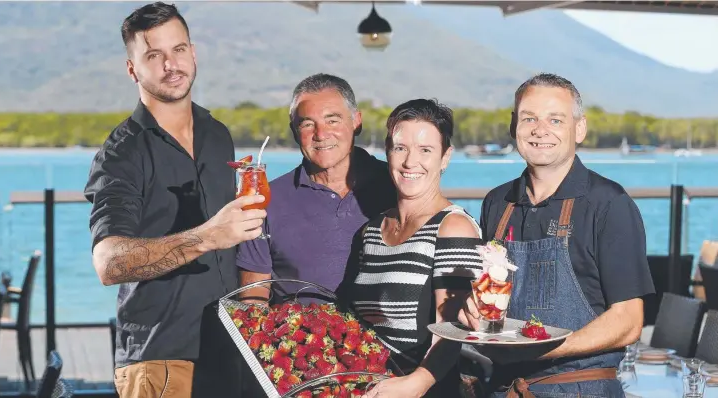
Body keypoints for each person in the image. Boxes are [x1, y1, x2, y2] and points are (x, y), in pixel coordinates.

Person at [84, 3, 266, 397]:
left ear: (193, 53)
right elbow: (109, 263)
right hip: (162, 363)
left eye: (178, 49)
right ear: (133, 69)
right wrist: (208, 236)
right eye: (154, 55)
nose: (171, 64)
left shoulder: (218, 134)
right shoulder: (122, 154)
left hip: (232, 350)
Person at [468, 73, 654, 397]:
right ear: (514, 126)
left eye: (555, 119)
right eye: (530, 118)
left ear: (579, 128)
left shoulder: (610, 204)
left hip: (582, 389)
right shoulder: (497, 203)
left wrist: (545, 347)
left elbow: (628, 320)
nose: (541, 130)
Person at [342, 99, 484, 398]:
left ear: (445, 157)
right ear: (387, 152)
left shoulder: (453, 227)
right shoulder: (370, 231)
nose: (410, 162)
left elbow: (455, 328)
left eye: (426, 150)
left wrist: (418, 383)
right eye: (400, 147)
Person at [235, 73, 395, 301]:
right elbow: (253, 297)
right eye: (308, 124)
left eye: (332, 120)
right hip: (298, 334)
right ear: (294, 131)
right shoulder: (265, 201)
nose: (321, 134)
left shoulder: (397, 186)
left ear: (356, 122)